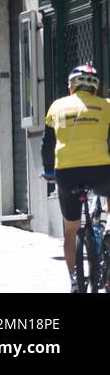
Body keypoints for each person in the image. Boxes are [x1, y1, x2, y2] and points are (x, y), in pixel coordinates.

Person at [41, 63, 110, 292]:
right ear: (95, 88)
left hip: (67, 174)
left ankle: (73, 281)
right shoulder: (106, 106)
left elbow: (47, 144)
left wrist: (49, 172)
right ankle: (108, 228)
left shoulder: (56, 107)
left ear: (71, 87)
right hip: (101, 171)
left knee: (70, 229)